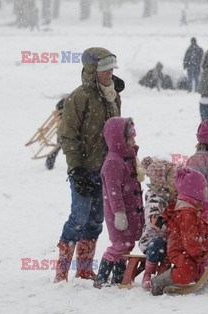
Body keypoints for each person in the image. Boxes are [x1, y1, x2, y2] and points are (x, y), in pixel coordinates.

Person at [54, 47, 124, 283]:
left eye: (112, 69)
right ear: (93, 71)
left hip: (106, 171)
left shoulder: (114, 95)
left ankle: (84, 269)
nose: (110, 74)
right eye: (105, 69)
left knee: (96, 221)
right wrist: (76, 169)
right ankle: (61, 272)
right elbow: (68, 136)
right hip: (83, 171)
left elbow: (117, 132)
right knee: (79, 218)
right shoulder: (78, 97)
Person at [150, 166, 208, 296]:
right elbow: (190, 240)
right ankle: (159, 282)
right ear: (194, 192)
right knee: (188, 270)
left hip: (194, 249)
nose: (207, 190)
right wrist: (202, 255)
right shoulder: (186, 213)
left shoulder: (198, 210)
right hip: (180, 251)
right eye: (203, 187)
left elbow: (207, 231)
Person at [93, 117, 145, 288]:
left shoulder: (127, 158)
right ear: (119, 139)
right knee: (120, 245)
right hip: (119, 214)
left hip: (130, 211)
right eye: (130, 137)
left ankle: (118, 278)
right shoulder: (113, 162)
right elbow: (113, 192)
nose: (134, 140)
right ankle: (101, 278)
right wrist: (119, 214)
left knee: (127, 245)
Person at [138, 157, 177, 290]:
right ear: (163, 180)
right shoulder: (155, 198)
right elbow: (153, 219)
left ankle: (164, 273)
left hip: (171, 238)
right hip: (152, 238)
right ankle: (148, 273)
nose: (176, 179)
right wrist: (161, 221)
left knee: (175, 246)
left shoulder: (174, 196)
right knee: (158, 245)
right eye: (173, 176)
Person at [45, 98, 65, 170]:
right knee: (58, 147)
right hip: (63, 133)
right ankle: (49, 163)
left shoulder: (63, 107)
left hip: (62, 132)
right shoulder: (65, 109)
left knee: (58, 147)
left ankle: (49, 162)